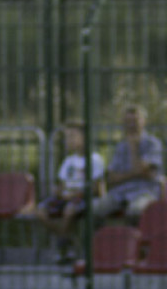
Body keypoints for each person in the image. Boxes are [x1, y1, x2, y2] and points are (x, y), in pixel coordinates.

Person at [37, 121, 105, 264]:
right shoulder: (68, 161)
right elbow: (61, 184)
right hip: (65, 197)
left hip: (83, 198)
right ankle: (67, 238)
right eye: (67, 137)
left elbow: (95, 188)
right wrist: (58, 192)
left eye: (73, 136)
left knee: (69, 210)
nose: (68, 140)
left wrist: (74, 194)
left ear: (84, 137)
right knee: (41, 210)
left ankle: (64, 245)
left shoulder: (95, 159)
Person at [93, 104, 164, 224]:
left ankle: (135, 242)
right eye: (127, 121)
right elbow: (111, 178)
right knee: (94, 209)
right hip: (120, 192)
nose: (131, 124)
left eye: (135, 120)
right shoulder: (120, 146)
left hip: (144, 191)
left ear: (144, 121)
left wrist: (133, 148)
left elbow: (144, 172)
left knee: (135, 211)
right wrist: (135, 174)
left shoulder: (153, 144)